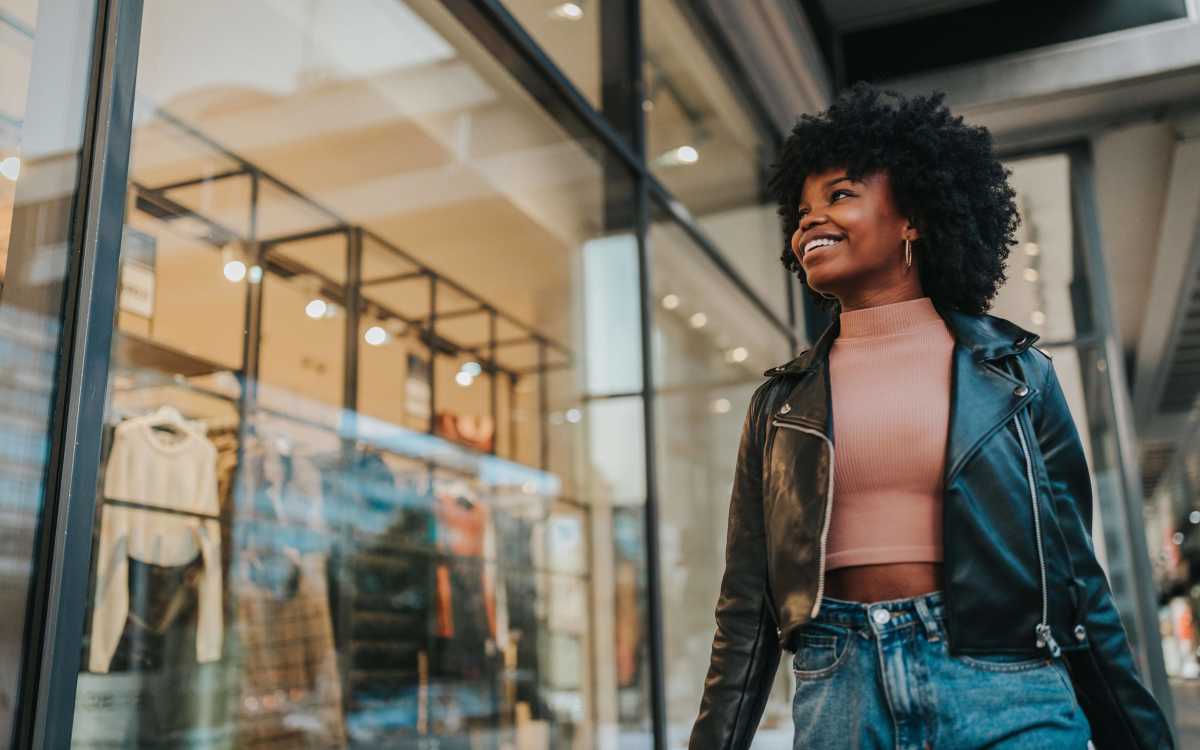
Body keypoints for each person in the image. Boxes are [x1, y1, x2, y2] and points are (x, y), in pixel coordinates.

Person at [689, 82, 1175, 750]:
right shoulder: (778, 405)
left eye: (839, 194)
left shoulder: (1017, 376)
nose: (808, 220)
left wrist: (1139, 736)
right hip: (840, 689)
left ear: (913, 216)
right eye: (801, 209)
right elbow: (747, 607)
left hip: (1005, 683)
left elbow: (1075, 579)